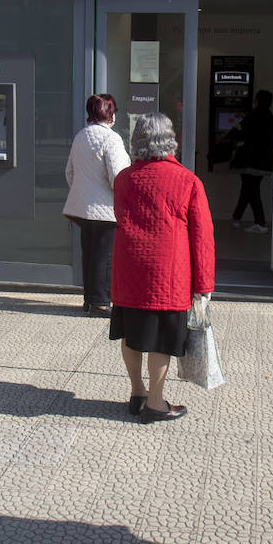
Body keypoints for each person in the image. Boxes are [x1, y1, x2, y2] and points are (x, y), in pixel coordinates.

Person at [110, 112, 215, 424]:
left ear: (137, 140)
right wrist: (204, 282)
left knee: (131, 332)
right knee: (160, 340)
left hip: (129, 268)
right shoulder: (187, 180)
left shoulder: (124, 179)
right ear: (171, 140)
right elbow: (202, 236)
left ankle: (137, 392)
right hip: (167, 274)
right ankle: (156, 403)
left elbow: (120, 215)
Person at [63, 93, 131, 317]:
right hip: (105, 209)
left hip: (82, 207)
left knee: (90, 254)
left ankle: (89, 299)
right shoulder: (111, 139)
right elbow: (118, 177)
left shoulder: (80, 136)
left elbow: (70, 172)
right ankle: (101, 302)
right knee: (105, 257)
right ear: (110, 113)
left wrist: (82, 192)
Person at [229, 89, 273, 233]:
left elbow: (240, 132)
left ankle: (260, 223)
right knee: (248, 189)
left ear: (257, 100)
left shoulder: (253, 116)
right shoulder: (269, 116)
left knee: (252, 191)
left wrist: (228, 135)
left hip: (250, 161)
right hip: (263, 162)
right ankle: (236, 218)